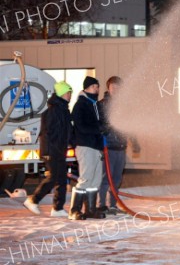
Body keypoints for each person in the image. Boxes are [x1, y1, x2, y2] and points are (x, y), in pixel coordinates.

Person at [23, 81, 73, 217]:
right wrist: (52, 150)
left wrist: (71, 142)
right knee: (53, 177)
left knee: (61, 179)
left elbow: (67, 131)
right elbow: (48, 133)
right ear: (62, 93)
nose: (70, 95)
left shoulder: (63, 110)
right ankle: (33, 200)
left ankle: (57, 208)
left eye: (70, 93)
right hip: (52, 150)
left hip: (59, 149)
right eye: (68, 93)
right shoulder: (53, 111)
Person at [98, 76, 140, 215]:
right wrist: (105, 129)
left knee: (116, 178)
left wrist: (134, 142)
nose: (116, 90)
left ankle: (113, 205)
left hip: (121, 147)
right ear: (108, 88)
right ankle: (102, 205)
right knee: (106, 177)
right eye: (113, 87)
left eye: (118, 88)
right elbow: (98, 124)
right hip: (107, 147)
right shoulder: (102, 104)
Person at [70, 76, 105, 220]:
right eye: (93, 87)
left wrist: (104, 128)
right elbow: (81, 126)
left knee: (95, 180)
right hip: (85, 145)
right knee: (85, 178)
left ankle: (90, 209)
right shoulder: (81, 105)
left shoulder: (95, 104)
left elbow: (99, 124)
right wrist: (99, 129)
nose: (96, 89)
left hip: (96, 147)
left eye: (97, 87)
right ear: (86, 88)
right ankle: (74, 210)